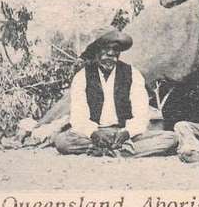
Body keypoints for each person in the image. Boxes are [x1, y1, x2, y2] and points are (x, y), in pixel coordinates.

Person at [54, 29, 177, 157]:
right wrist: (94, 133)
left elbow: (141, 115)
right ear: (96, 51)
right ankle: (121, 151)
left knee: (170, 138)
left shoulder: (133, 74)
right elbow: (78, 117)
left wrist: (127, 133)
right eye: (105, 49)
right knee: (62, 142)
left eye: (115, 49)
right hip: (95, 133)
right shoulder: (82, 77)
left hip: (124, 132)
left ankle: (105, 150)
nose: (111, 53)